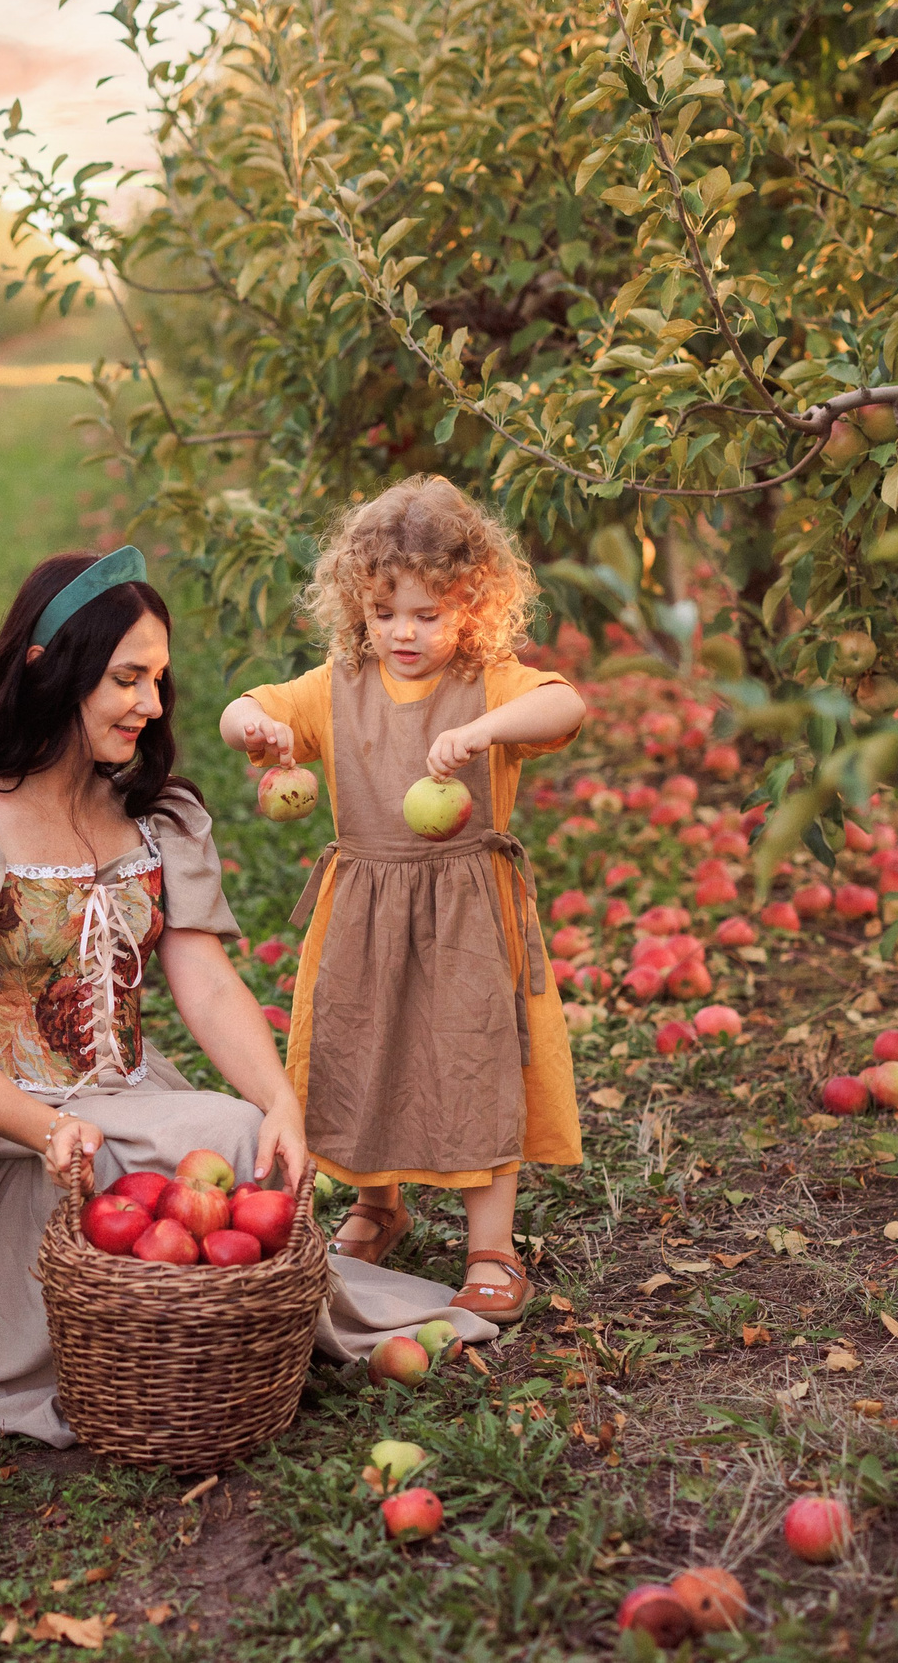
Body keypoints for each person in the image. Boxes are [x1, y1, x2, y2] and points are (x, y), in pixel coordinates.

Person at [0, 548, 488, 1444]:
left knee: (240, 1137)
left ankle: (198, 1348)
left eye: (159, 680)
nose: (153, 705)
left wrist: (281, 1101)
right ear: (50, 668)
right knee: (182, 1153)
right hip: (9, 1130)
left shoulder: (150, 816)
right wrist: (50, 1129)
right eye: (128, 679)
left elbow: (202, 981)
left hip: (125, 1096)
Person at [217, 475, 585, 1325]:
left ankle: (491, 1244)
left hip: (466, 916)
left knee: (475, 1061)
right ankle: (378, 1205)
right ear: (358, 607)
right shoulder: (337, 684)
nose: (404, 633)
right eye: (385, 614)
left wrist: (487, 731)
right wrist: (260, 732)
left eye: (427, 613)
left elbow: (566, 703)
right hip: (365, 912)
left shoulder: (489, 681)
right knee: (360, 1051)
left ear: (472, 604)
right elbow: (245, 708)